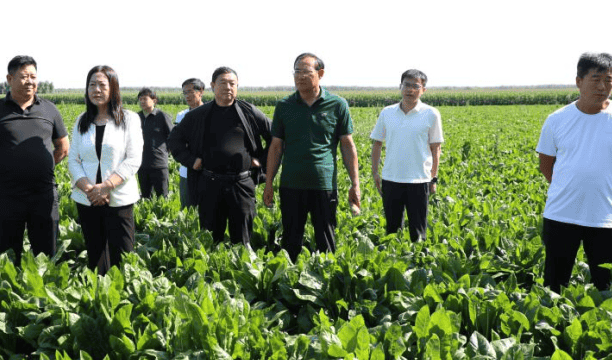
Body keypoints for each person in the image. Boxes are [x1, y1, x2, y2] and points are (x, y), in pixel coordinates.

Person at [536, 52, 612, 291]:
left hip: (606, 216)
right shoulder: (557, 120)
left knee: (606, 286)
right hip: (561, 214)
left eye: (608, 80)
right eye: (595, 79)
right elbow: (546, 163)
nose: (602, 86)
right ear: (579, 81)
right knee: (554, 285)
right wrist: (568, 187)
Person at [263, 53, 360, 259]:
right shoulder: (284, 106)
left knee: (326, 237)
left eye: (305, 72)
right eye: (296, 72)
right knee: (291, 239)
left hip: (323, 184)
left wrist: (355, 183)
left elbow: (347, 145)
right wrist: (269, 182)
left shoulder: (337, 104)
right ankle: (290, 284)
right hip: (291, 184)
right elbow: (276, 147)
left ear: (320, 73)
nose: (299, 77)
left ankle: (325, 283)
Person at [0, 55, 69, 262]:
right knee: (8, 255)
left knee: (46, 255)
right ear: (9, 79)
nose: (30, 81)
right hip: (8, 196)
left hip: (44, 195)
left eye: (33, 76)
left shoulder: (49, 109)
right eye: (24, 76)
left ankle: (43, 291)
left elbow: (63, 147)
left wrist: (41, 166)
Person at [169, 67, 271, 246]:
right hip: (210, 183)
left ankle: (240, 271)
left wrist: (261, 161)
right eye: (223, 83)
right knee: (210, 238)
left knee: (242, 240)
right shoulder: (198, 115)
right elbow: (174, 140)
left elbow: (276, 137)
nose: (228, 87)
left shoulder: (249, 112)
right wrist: (191, 160)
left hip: (242, 184)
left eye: (232, 83)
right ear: (213, 85)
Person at [68, 65, 142, 274]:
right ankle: (99, 299)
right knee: (95, 253)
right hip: (87, 199)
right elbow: (73, 159)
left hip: (119, 198)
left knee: (123, 254)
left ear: (113, 89)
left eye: (102, 85)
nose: (96, 90)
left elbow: (134, 158)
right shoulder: (81, 121)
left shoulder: (129, 119)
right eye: (92, 85)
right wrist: (91, 190)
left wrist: (107, 187)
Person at [369, 69, 443, 241]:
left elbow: (436, 148)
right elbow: (377, 143)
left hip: (419, 180)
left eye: (415, 86)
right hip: (391, 179)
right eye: (406, 85)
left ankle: (417, 263)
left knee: (418, 232)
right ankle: (393, 263)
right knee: (392, 231)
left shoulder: (431, 113)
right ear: (400, 87)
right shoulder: (387, 112)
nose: (410, 90)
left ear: (423, 89)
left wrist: (433, 178)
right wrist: (375, 173)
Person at [136, 87, 174, 199]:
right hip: (141, 164)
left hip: (159, 164)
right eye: (140, 99)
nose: (142, 102)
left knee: (162, 196)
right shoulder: (136, 117)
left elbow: (172, 136)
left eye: (145, 99)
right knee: (145, 196)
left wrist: (167, 151)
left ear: (154, 100)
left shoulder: (162, 116)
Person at [173, 78, 205, 208]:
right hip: (186, 170)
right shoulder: (181, 115)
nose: (187, 96)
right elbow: (177, 143)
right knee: (187, 209)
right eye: (184, 93)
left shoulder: (211, 113)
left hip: (207, 171)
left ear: (201, 91)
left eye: (190, 92)